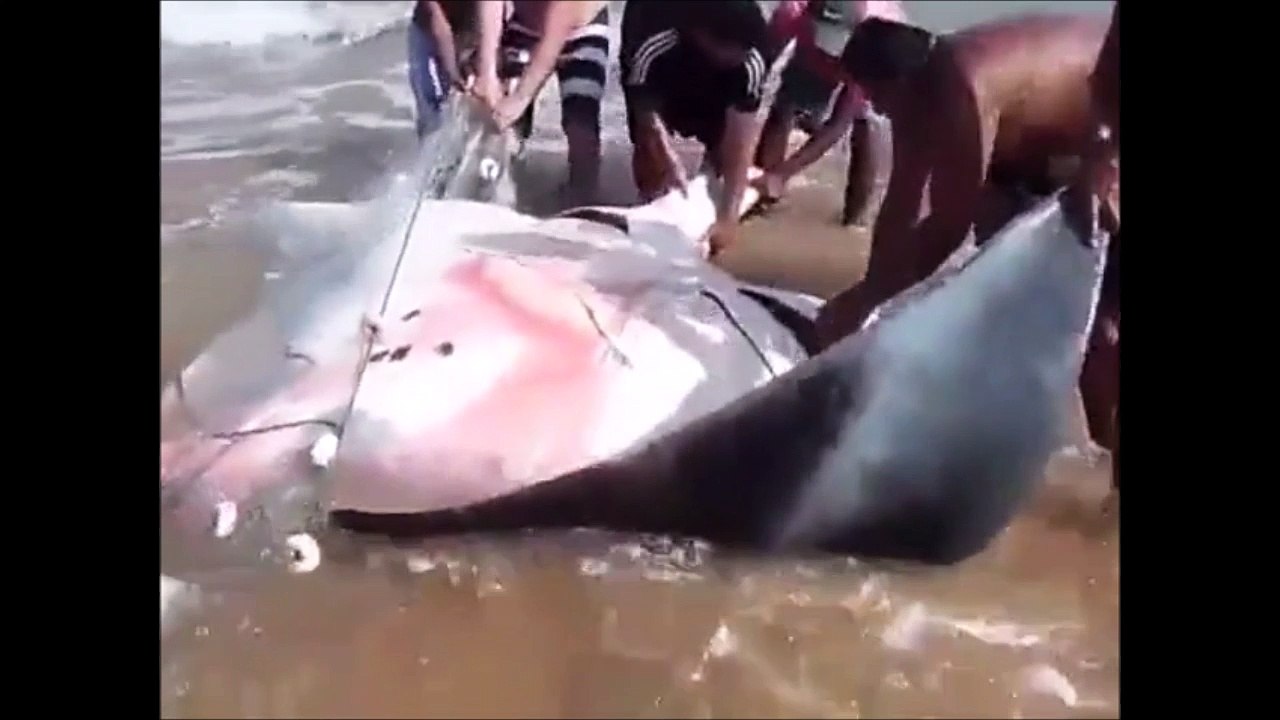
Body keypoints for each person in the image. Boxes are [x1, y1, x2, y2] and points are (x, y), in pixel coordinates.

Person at [814, 13, 1113, 345]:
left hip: (1101, 131)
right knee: (998, 244)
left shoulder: (964, 85)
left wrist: (865, 300)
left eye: (874, 95)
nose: (877, 109)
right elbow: (901, 204)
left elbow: (949, 230)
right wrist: (869, 292)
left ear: (898, 82)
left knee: (1096, 304)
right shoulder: (917, 90)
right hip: (1030, 142)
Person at [620, 0, 779, 257]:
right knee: (650, 154)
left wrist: (728, 217)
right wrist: (666, 155)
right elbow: (645, 112)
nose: (737, 57)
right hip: (657, 48)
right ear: (701, 35)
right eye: (729, 50)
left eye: (741, 52)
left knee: (723, 154)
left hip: (720, 73)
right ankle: (649, 208)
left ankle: (708, 212)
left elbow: (740, 139)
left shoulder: (749, 57)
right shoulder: (654, 38)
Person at [753, 1, 907, 228]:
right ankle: (763, 196)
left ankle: (854, 219)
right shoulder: (791, 14)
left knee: (865, 125)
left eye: (835, 48)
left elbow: (838, 124)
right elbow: (756, 70)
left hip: (866, 55)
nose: (830, 54)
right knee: (785, 104)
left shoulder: (875, 39)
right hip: (808, 50)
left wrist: (783, 173)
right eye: (825, 42)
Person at [472, 0, 611, 205]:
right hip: (525, 25)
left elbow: (555, 33)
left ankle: (583, 196)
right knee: (498, 116)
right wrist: (487, 73)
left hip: (583, 27)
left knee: (581, 126)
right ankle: (495, 190)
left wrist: (521, 98)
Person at [407, 1, 478, 138]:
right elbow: (437, 20)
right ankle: (428, 145)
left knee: (465, 101)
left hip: (469, 29)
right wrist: (452, 71)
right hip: (425, 30)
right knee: (429, 105)